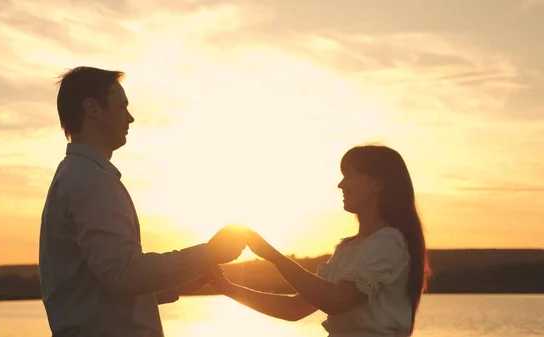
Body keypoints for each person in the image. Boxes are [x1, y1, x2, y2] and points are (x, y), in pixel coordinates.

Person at [39, 66, 247, 337]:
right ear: (92, 108)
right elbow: (122, 274)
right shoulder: (91, 181)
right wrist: (209, 253)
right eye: (121, 106)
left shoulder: (75, 176)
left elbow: (99, 287)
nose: (130, 117)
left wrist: (178, 284)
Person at [210, 145, 431, 337]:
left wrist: (272, 256)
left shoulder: (388, 242)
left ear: (378, 184)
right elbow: (294, 309)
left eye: (350, 174)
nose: (341, 185)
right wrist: (228, 288)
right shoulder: (348, 249)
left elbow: (337, 301)